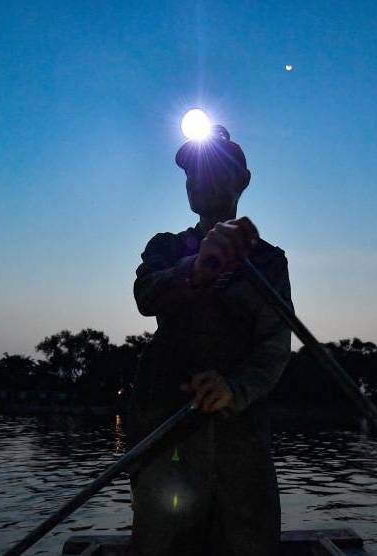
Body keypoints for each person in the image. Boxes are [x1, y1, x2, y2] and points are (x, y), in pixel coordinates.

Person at [127, 124, 293, 556]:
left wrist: (234, 389)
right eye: (190, 173)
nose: (196, 179)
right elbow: (146, 295)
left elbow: (274, 348)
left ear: (241, 180)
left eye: (210, 169)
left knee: (249, 542)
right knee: (159, 542)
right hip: (168, 433)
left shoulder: (270, 262)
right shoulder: (165, 247)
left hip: (243, 440)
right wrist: (196, 268)